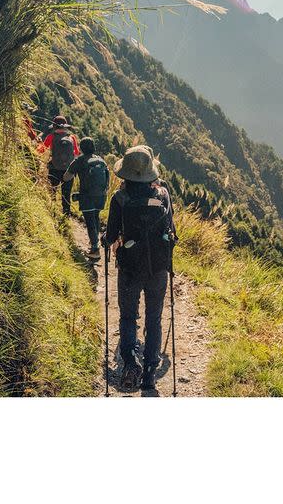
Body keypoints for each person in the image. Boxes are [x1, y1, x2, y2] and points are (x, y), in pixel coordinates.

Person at [102, 145, 175, 391]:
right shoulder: (163, 194)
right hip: (158, 268)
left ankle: (131, 363)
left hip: (130, 268)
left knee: (128, 316)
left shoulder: (120, 199)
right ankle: (150, 371)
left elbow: (110, 236)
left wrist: (110, 240)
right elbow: (172, 230)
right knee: (154, 318)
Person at [63, 137, 109, 260]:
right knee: (95, 217)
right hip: (101, 196)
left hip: (87, 196)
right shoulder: (101, 161)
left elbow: (66, 177)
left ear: (82, 148)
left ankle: (95, 249)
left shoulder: (79, 160)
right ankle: (95, 243)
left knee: (89, 221)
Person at [38, 115, 80, 215]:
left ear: (54, 126)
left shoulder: (51, 137)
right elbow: (77, 153)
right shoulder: (72, 137)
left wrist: (37, 143)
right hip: (68, 170)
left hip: (54, 168)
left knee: (52, 190)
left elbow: (41, 150)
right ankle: (66, 214)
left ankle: (51, 212)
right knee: (66, 193)